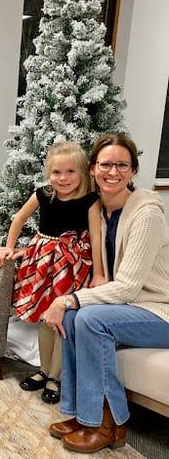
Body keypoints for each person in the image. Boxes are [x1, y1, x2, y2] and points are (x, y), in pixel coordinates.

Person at [44, 133, 169, 453]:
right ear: (93, 169)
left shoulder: (146, 214)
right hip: (131, 306)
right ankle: (80, 413)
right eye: (105, 165)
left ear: (133, 171)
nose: (113, 172)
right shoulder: (100, 210)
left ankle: (107, 423)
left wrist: (68, 298)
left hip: (159, 310)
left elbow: (128, 286)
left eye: (122, 165)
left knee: (89, 318)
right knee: (72, 317)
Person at [0, 141, 105, 404]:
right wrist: (9, 246)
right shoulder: (44, 194)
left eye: (70, 172)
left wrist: (99, 273)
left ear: (82, 172)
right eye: (56, 172)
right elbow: (19, 218)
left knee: (61, 321)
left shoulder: (90, 200)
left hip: (71, 265)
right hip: (43, 263)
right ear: (48, 173)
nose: (63, 178)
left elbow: (96, 237)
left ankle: (56, 376)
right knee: (46, 318)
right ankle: (44, 370)